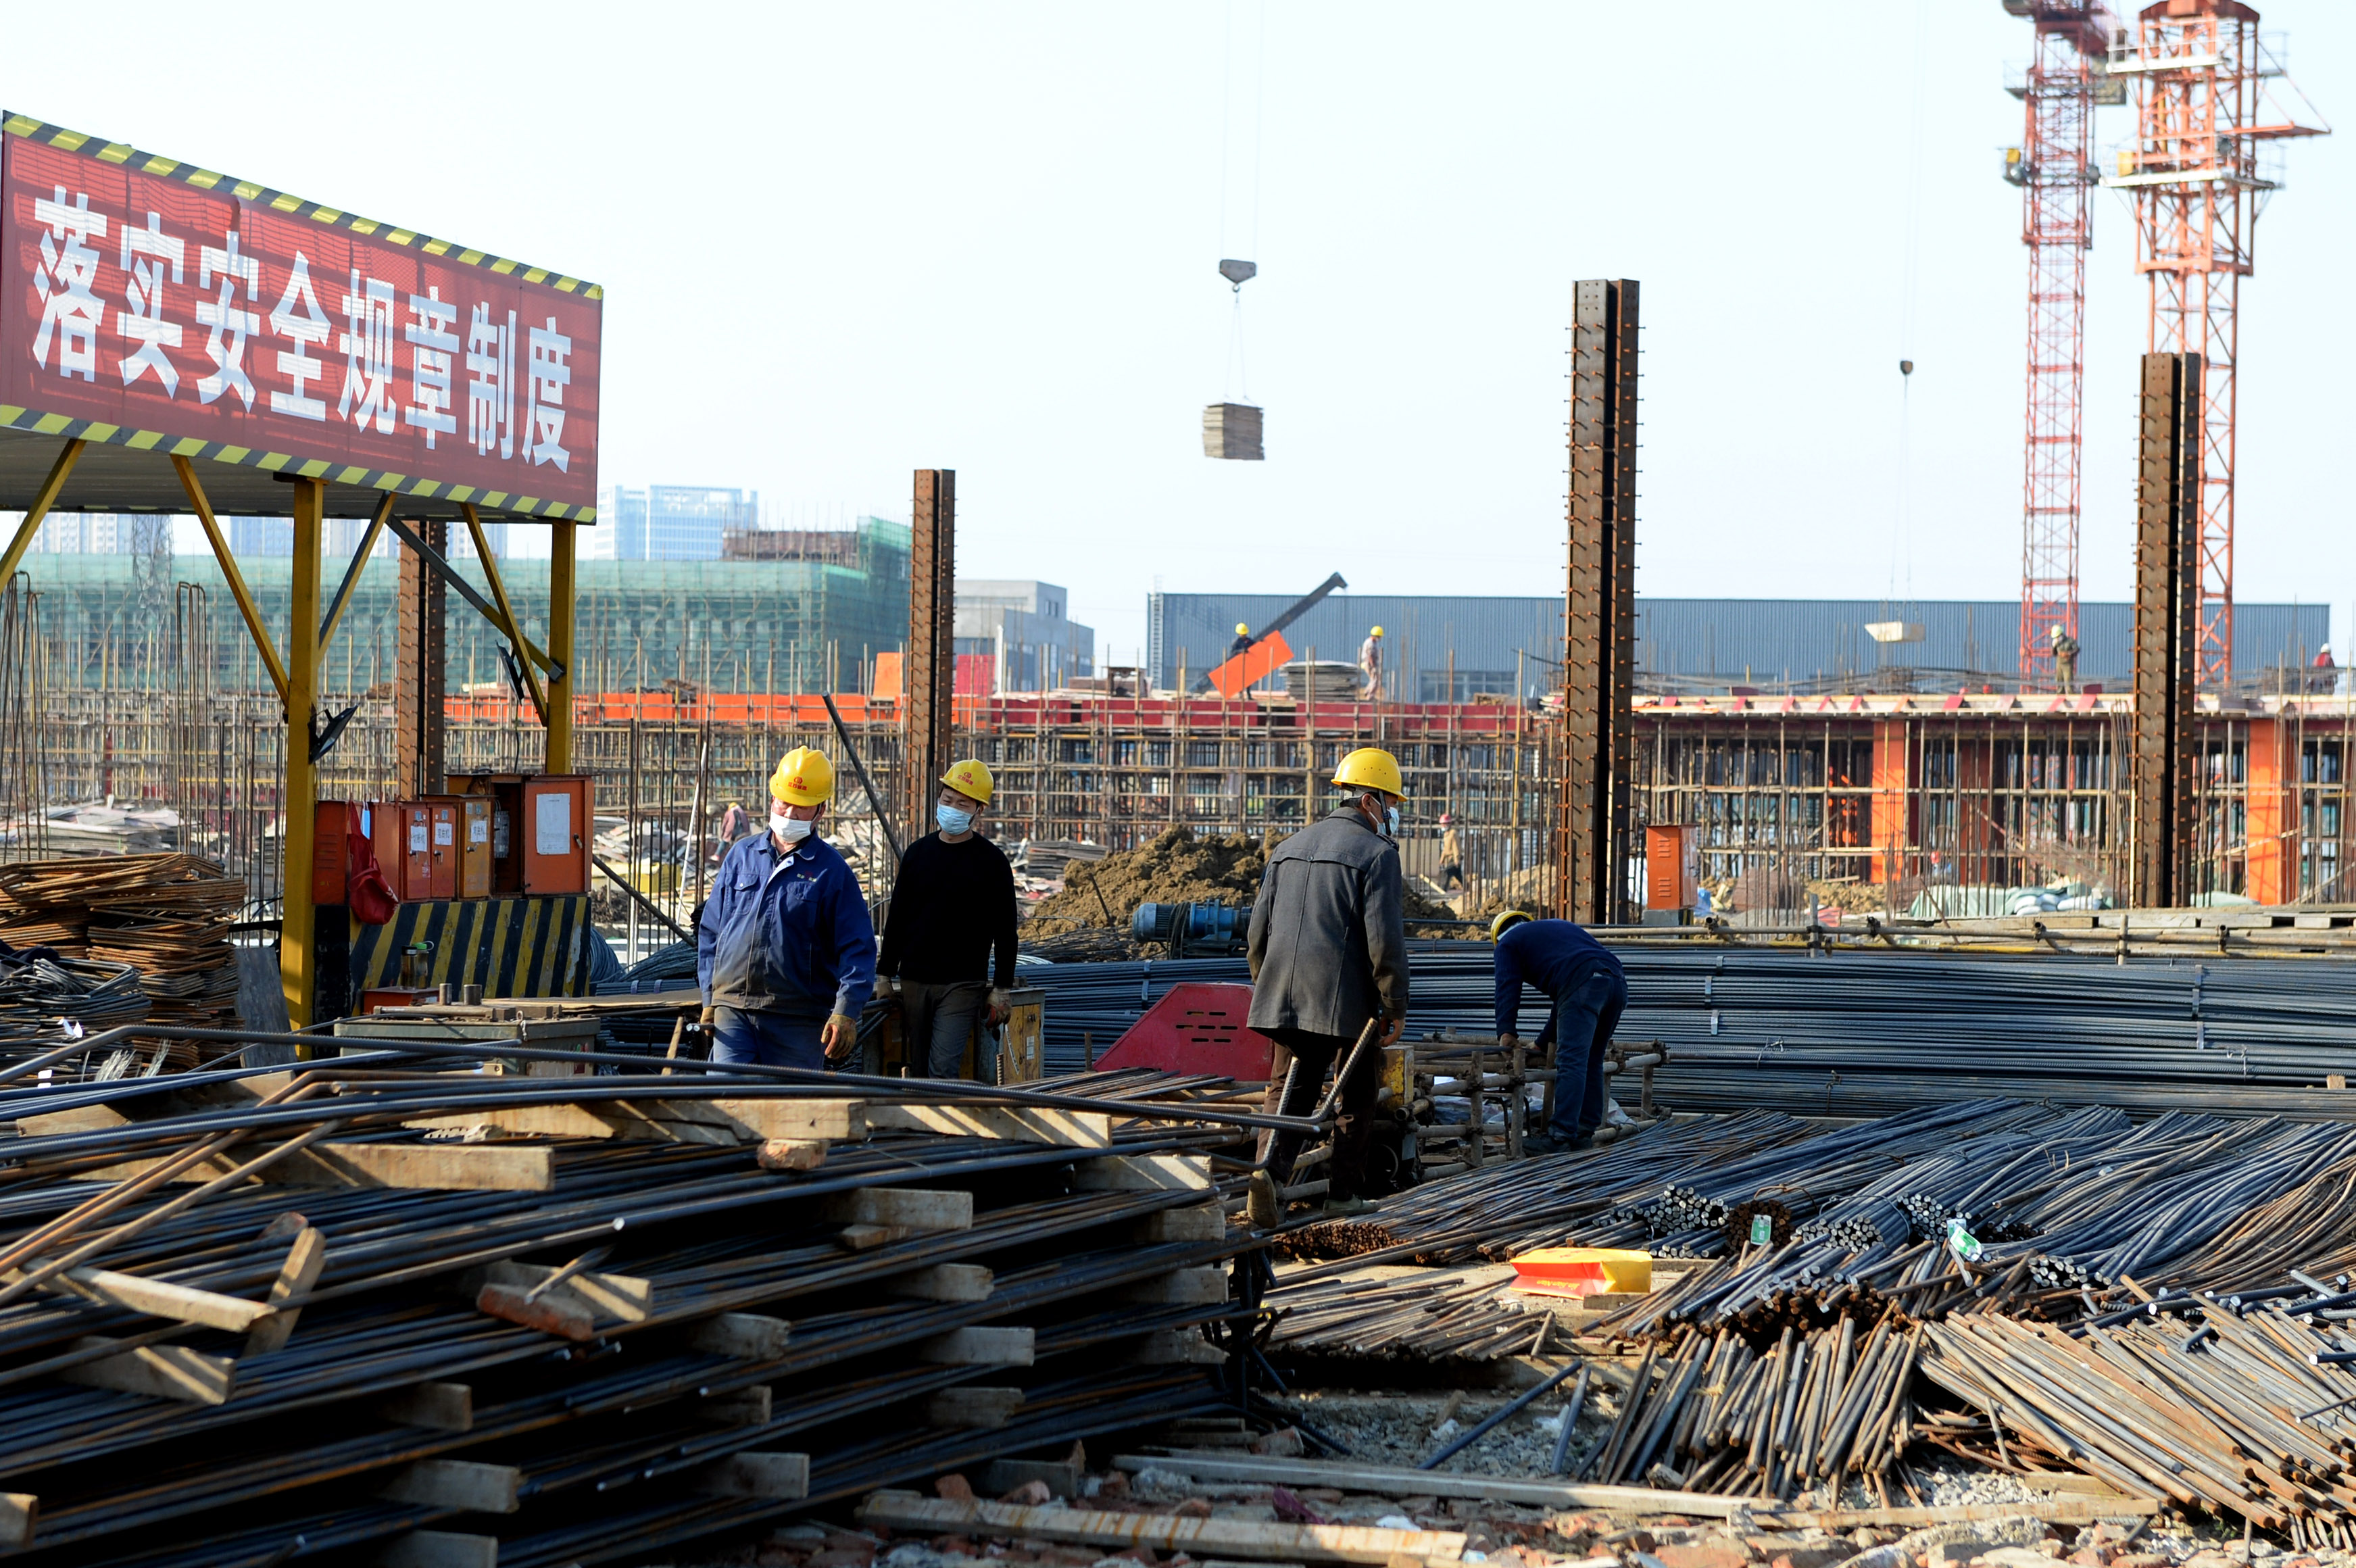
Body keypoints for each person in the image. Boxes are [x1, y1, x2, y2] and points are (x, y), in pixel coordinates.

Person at [1244, 746, 1410, 1225]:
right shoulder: (1378, 856)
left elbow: (1257, 934)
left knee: (1286, 1089)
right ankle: (1343, 1196)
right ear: (1369, 801)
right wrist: (1394, 1002)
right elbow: (1385, 942)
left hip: (1283, 995)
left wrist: (1268, 986)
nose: (1393, 814)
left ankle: (1267, 1179)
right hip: (1344, 1004)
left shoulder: (1286, 848)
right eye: (1391, 804)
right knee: (1355, 1096)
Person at [696, 746, 877, 1070]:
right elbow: (711, 931)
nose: (790, 813)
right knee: (724, 1099)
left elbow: (858, 948)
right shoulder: (741, 856)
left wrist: (846, 1010)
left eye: (802, 807)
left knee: (794, 1109)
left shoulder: (831, 872)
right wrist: (711, 998)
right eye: (784, 802)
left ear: (820, 811)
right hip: (733, 1009)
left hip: (798, 1018)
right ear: (772, 799)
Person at [877, 759, 1019, 1079]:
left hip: (962, 983)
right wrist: (884, 975)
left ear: (978, 811)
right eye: (947, 800)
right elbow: (897, 917)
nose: (952, 808)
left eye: (962, 803)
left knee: (942, 1067)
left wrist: (1002, 988)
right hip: (914, 979)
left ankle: (944, 1126)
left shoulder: (992, 862)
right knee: (916, 1066)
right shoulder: (917, 854)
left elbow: (1006, 931)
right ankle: (920, 1126)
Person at [1492, 909, 1626, 1154]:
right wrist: (1542, 1043)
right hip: (1616, 981)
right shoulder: (1556, 929)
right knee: (1592, 1059)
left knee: (1571, 1061)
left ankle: (1560, 1136)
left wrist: (1507, 1031)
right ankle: (1584, 1133)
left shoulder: (1507, 944)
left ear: (1497, 937)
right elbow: (1565, 1001)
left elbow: (1507, 987)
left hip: (1584, 983)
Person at [2048, 624, 2080, 695]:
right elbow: (2054, 654)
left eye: (2057, 637)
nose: (2056, 638)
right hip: (2059, 664)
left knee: (2068, 680)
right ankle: (2060, 694)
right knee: (2059, 680)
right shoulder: (2057, 643)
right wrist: (2054, 647)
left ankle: (2070, 694)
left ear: (2061, 635)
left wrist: (2069, 654)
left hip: (2068, 664)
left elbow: (2077, 649)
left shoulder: (2070, 641)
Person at [1437, 812, 1464, 891]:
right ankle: (1467, 888)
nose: (1443, 826)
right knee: (1458, 876)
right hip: (1448, 859)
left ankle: (1443, 889)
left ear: (1449, 824)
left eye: (1444, 824)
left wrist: (1457, 859)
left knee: (1447, 872)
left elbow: (1456, 847)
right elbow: (1445, 849)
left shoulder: (1453, 833)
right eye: (1442, 824)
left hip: (1453, 859)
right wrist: (1442, 859)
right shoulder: (1446, 834)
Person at [1358, 626, 1385, 700]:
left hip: (1368, 662)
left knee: (1373, 679)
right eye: (1380, 637)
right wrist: (1373, 666)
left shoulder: (1371, 642)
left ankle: (1368, 692)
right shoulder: (1371, 644)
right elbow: (1371, 655)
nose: (1380, 638)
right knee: (1375, 679)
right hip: (1370, 663)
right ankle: (1370, 695)